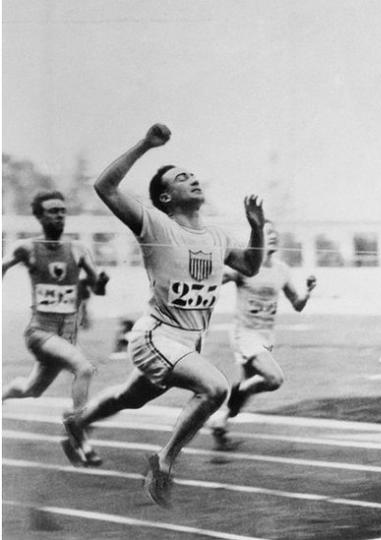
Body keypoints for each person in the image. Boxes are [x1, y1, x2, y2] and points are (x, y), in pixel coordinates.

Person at [64, 123, 265, 507]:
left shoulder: (218, 237)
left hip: (186, 341)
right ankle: (164, 460)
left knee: (130, 398)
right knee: (216, 388)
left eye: (192, 175)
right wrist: (146, 144)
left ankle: (79, 421)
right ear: (165, 198)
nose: (192, 180)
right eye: (181, 178)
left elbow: (252, 267)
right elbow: (104, 186)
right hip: (156, 337)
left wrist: (256, 230)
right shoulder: (157, 225)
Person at [2, 190, 110, 465]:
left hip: (66, 336)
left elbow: (97, 288)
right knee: (83, 367)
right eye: (52, 211)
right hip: (39, 332)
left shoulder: (78, 250)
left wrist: (102, 283)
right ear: (39, 216)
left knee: (31, 390)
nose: (59, 215)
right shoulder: (27, 248)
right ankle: (79, 432)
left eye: (62, 210)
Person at [208, 220, 316, 450]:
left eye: (275, 233)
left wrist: (307, 291)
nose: (274, 236)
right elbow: (213, 279)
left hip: (266, 336)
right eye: (268, 234)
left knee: (247, 387)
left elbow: (297, 304)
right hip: (244, 334)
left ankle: (221, 421)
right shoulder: (245, 266)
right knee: (273, 379)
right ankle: (230, 401)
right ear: (257, 239)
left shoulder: (282, 270)